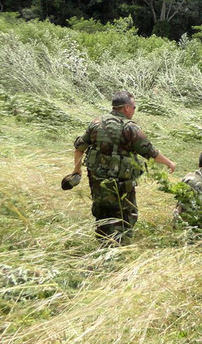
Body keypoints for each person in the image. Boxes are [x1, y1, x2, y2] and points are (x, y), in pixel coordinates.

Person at [71, 91, 176, 243]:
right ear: (126, 108)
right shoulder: (130, 128)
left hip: (97, 180)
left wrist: (76, 170)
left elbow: (79, 147)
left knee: (102, 214)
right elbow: (150, 152)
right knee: (124, 217)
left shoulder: (96, 123)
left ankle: (103, 247)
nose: (134, 110)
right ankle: (119, 251)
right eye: (134, 107)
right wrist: (169, 163)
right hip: (121, 184)